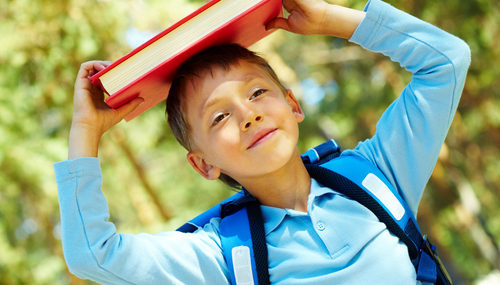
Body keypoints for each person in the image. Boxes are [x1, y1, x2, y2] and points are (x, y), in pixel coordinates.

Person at [53, 0, 470, 283]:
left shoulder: (377, 175)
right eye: (219, 117)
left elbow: (446, 62)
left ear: (293, 105)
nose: (248, 114)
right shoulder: (220, 253)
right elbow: (94, 254)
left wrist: (329, 19)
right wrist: (85, 131)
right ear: (203, 165)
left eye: (257, 94)